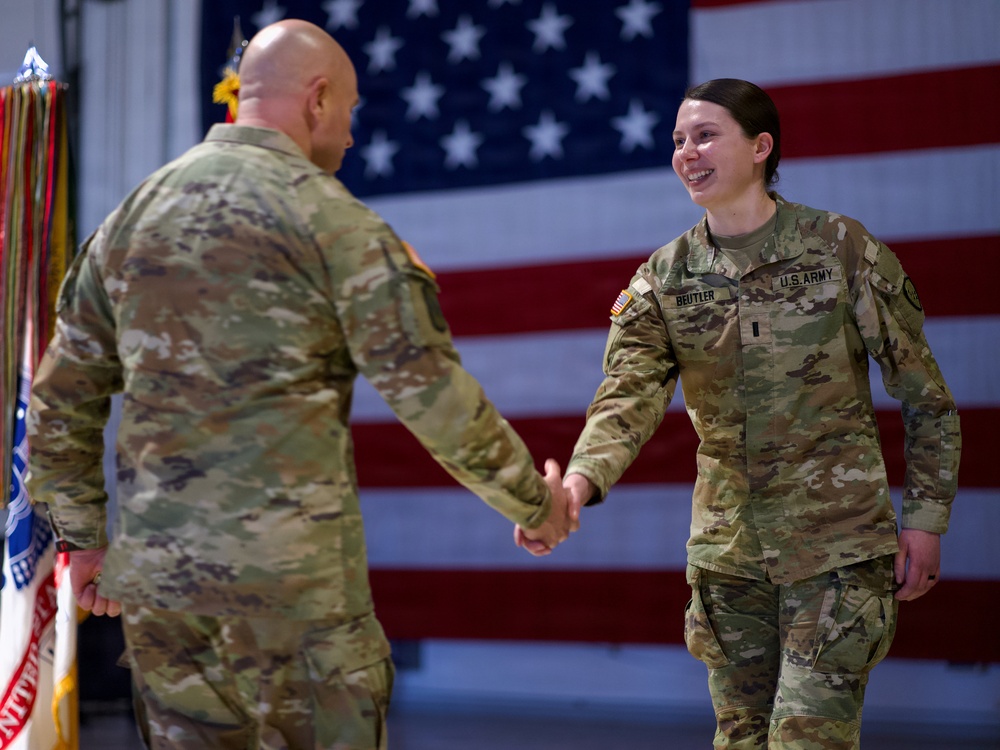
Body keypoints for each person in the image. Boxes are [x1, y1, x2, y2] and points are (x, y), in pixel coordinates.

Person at [27, 19, 577, 750]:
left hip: (165, 605)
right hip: (297, 610)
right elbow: (434, 398)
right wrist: (538, 506)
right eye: (349, 111)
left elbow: (60, 399)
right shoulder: (334, 222)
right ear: (317, 100)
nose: (350, 136)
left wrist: (83, 542)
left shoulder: (130, 221)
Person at [523, 79, 961, 748]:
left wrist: (925, 521)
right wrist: (577, 487)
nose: (687, 153)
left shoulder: (841, 249)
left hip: (838, 554)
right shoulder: (662, 279)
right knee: (741, 739)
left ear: (761, 146)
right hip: (729, 561)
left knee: (806, 739)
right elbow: (626, 400)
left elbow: (925, 395)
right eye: (677, 141)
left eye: (705, 136)